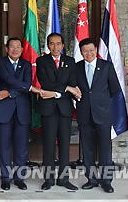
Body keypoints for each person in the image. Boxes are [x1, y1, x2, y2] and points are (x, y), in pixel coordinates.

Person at [0, 37, 41, 191]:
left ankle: (19, 178)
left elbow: (27, 83)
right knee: (4, 146)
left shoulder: (26, 65)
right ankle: (5, 178)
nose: (15, 50)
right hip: (4, 111)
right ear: (7, 49)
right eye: (12, 47)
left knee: (21, 147)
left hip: (21, 111)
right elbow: (8, 79)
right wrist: (26, 88)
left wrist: (9, 92)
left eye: (18, 47)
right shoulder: (0, 63)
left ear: (22, 49)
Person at [36, 32, 80, 191]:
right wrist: (67, 88)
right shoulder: (41, 61)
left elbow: (74, 83)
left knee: (64, 145)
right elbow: (45, 83)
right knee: (48, 144)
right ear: (48, 46)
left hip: (64, 109)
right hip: (48, 109)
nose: (55, 47)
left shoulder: (70, 61)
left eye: (58, 44)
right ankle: (48, 179)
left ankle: (64, 179)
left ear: (63, 45)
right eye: (52, 44)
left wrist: (58, 92)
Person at [76, 38, 120, 193]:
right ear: (81, 52)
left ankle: (106, 181)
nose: (89, 53)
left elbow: (114, 89)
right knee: (87, 148)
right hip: (84, 114)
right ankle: (91, 179)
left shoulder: (106, 66)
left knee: (105, 148)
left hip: (103, 113)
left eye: (91, 50)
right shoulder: (77, 67)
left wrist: (100, 101)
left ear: (96, 50)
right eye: (85, 51)